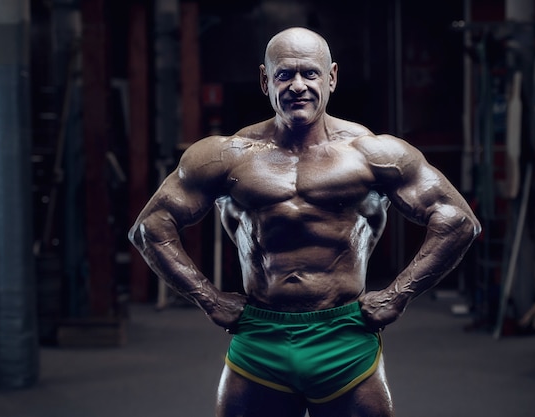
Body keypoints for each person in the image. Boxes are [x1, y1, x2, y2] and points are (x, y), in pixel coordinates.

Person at [129, 27, 481, 417]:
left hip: (344, 335)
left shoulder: (372, 153)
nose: (298, 85)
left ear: (331, 77)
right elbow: (151, 227)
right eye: (284, 74)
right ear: (265, 80)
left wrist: (399, 294)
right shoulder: (227, 156)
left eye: (310, 73)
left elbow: (457, 220)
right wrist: (209, 299)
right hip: (260, 336)